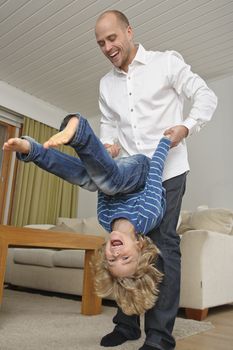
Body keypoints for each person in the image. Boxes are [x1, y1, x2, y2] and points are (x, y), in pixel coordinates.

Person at [94, 9, 218, 350]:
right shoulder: (106, 84)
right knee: (124, 246)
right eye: (101, 42)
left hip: (168, 171)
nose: (107, 47)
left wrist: (186, 126)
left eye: (112, 38)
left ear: (129, 31)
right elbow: (108, 125)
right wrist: (109, 145)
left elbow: (206, 95)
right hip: (130, 175)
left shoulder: (166, 63)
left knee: (163, 246)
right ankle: (127, 324)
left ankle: (160, 336)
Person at [3, 113, 172, 315]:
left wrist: (107, 157)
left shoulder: (104, 218)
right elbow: (154, 174)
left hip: (116, 175)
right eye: (125, 259)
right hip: (141, 171)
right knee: (109, 184)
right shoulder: (149, 215)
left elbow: (100, 183)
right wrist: (165, 142)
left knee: (90, 181)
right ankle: (79, 129)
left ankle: (32, 150)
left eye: (111, 260)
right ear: (140, 247)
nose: (116, 255)